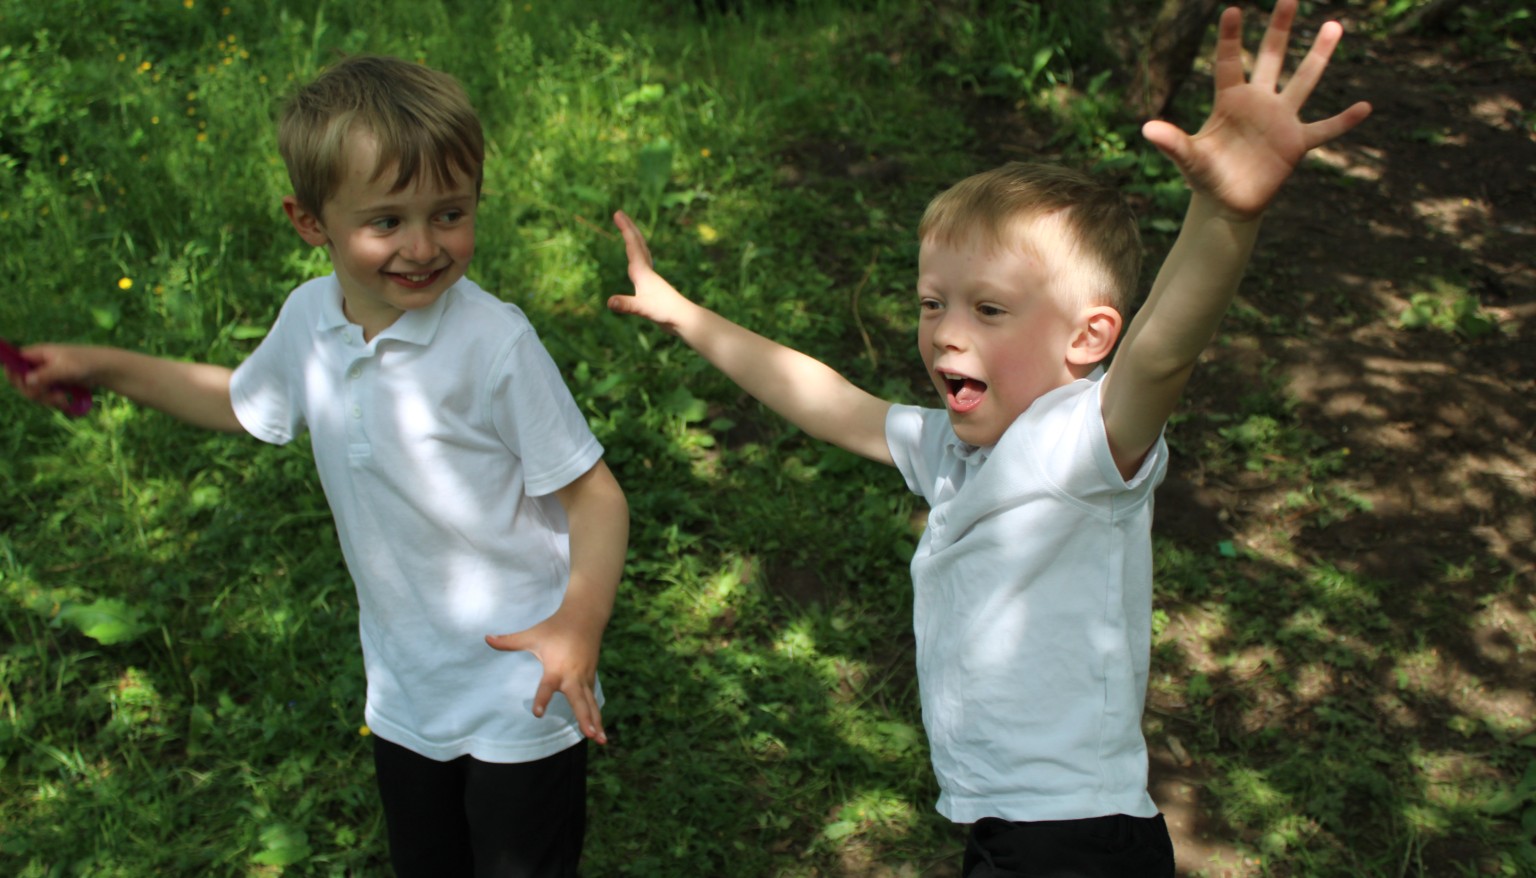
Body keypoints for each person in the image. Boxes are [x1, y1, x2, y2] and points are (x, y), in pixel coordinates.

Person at [606, 2, 1369, 875]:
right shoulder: (961, 451)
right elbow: (826, 398)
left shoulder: (1082, 443)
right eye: (932, 303)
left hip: (1077, 845)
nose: (943, 332)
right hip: (1011, 831)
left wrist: (1224, 218)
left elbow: (1162, 351)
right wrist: (684, 314)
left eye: (989, 309)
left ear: (1087, 339)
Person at [8, 54, 628, 878]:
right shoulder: (310, 319)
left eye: (450, 213)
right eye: (386, 222)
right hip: (407, 685)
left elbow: (595, 498)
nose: (422, 247)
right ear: (311, 222)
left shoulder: (494, 344)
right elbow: (237, 401)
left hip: (526, 682)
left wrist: (576, 628)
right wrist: (100, 365)